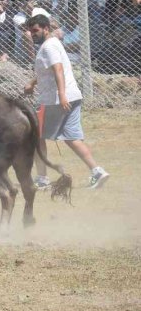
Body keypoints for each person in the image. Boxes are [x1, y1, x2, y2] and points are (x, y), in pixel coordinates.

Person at [24, 14, 109, 190]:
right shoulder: (53, 44)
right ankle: (98, 171)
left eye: (36, 30)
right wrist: (32, 83)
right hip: (72, 96)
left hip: (56, 100)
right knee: (72, 138)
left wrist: (61, 95)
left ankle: (41, 179)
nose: (33, 34)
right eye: (31, 31)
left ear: (46, 28)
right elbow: (47, 71)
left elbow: (58, 70)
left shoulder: (48, 47)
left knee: (36, 137)